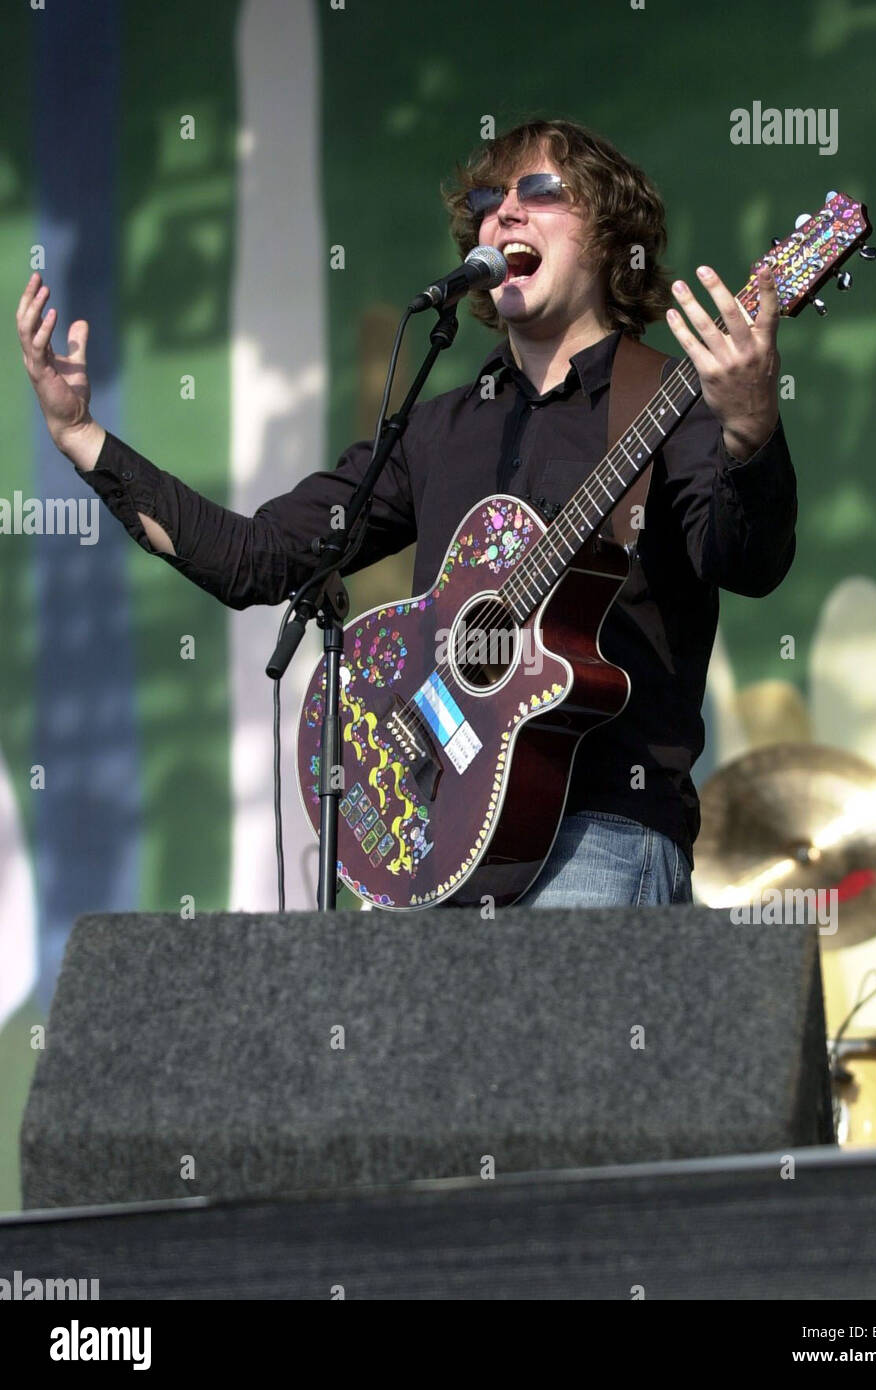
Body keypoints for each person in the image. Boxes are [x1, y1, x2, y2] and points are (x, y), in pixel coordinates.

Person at [16, 118, 796, 910]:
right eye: (489, 202)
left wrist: (748, 429)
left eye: (538, 193)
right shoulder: (440, 427)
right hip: (436, 831)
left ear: (608, 234)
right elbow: (256, 559)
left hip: (596, 832)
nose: (504, 215)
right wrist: (83, 438)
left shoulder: (677, 402)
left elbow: (748, 563)